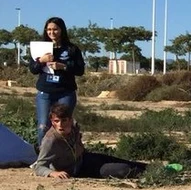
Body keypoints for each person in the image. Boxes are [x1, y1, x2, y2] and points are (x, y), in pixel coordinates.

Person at [32, 103, 146, 179]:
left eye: (64, 120)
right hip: (79, 170)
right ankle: (148, 174)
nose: (60, 125)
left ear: (70, 120)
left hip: (85, 158)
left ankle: (154, 168)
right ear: (52, 122)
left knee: (126, 162)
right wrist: (53, 173)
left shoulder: (74, 127)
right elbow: (39, 166)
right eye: (56, 121)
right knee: (122, 170)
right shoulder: (50, 140)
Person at [28, 17, 85, 146]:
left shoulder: (72, 49)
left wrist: (63, 66)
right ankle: (42, 157)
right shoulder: (39, 47)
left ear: (61, 30)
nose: (52, 32)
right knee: (43, 126)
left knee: (64, 126)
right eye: (49, 29)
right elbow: (33, 69)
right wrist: (40, 60)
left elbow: (80, 70)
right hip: (45, 93)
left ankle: (66, 156)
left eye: (55, 29)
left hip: (65, 93)